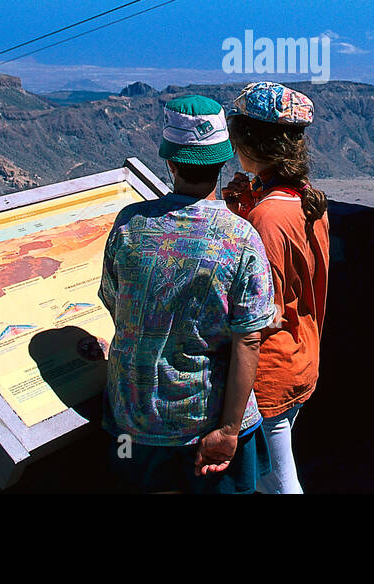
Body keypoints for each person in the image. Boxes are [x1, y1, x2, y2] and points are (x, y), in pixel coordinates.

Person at [99, 95, 277, 493]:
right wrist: (229, 431)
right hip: (208, 425)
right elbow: (249, 337)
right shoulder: (241, 239)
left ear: (170, 161)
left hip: (138, 424)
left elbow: (115, 302)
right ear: (222, 162)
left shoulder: (129, 226)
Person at [222, 82, 329, 494]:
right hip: (303, 358)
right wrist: (248, 210)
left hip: (270, 373)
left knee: (279, 484)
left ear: (249, 143)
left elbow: (265, 314)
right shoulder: (306, 202)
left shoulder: (267, 218)